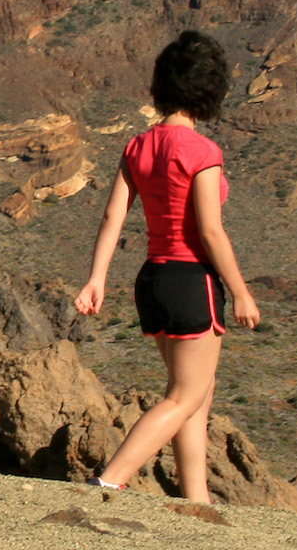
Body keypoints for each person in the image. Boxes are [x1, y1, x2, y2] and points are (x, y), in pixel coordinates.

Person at [73, 30, 260, 504]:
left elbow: (114, 214)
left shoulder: (138, 147)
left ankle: (196, 501)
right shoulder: (202, 153)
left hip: (151, 280)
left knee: (196, 392)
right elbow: (211, 231)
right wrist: (239, 290)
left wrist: (97, 278)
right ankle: (108, 481)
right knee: (183, 396)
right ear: (209, 91)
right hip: (190, 278)